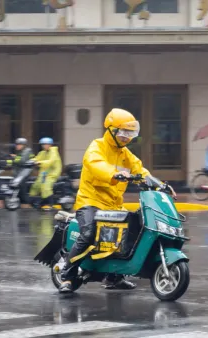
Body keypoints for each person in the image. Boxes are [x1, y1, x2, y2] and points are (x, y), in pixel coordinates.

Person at [59, 108, 176, 293]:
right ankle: (67, 274)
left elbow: (141, 171)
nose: (127, 137)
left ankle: (114, 277)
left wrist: (160, 185)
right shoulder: (96, 147)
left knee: (132, 232)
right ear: (112, 130)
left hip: (113, 205)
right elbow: (97, 166)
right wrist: (115, 174)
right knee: (89, 234)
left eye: (130, 133)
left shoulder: (125, 154)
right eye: (123, 132)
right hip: (91, 202)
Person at [29, 137, 62, 211]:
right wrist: (31, 161)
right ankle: (34, 201)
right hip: (44, 173)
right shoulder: (42, 152)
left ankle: (51, 204)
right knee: (36, 185)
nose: (44, 146)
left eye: (46, 144)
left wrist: (39, 163)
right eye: (43, 144)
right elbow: (37, 158)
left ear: (50, 145)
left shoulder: (54, 152)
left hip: (53, 173)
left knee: (46, 186)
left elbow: (50, 161)